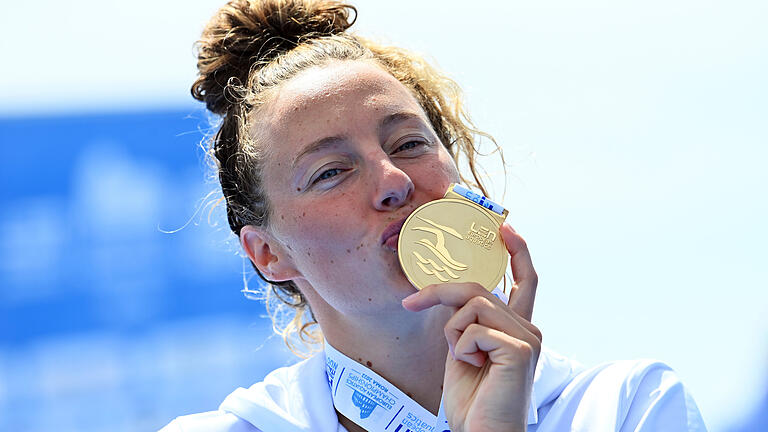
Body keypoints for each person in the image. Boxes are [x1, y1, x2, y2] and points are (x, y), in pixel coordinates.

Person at [161, 0, 707, 430]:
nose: (394, 181)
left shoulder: (629, 410)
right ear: (268, 253)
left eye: (408, 144)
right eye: (331, 171)